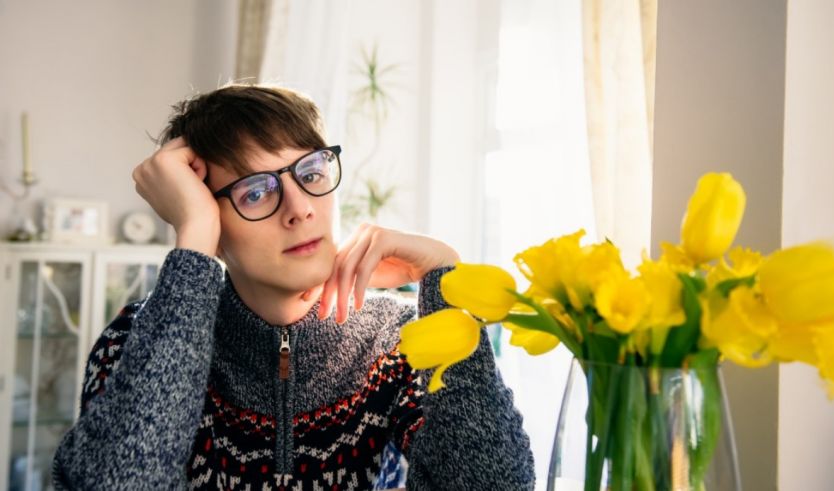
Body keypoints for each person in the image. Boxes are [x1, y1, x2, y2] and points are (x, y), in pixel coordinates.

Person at [52, 85, 535, 490]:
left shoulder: (397, 342)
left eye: (311, 173)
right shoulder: (138, 339)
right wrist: (195, 241)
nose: (300, 207)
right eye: (255, 191)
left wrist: (445, 281)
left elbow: (494, 484)